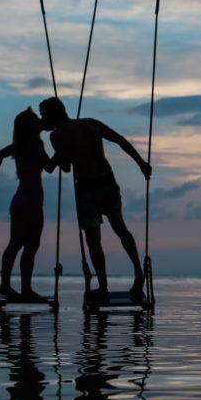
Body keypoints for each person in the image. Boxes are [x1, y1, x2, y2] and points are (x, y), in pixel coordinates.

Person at [38, 96, 151, 303]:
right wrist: (141, 163)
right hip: (108, 183)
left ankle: (103, 286)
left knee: (93, 241)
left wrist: (56, 155)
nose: (42, 119)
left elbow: (65, 167)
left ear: (53, 116)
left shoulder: (56, 135)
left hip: (88, 190)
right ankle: (137, 272)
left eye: (43, 115)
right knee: (121, 229)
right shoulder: (91, 123)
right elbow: (120, 140)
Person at [0, 107, 55, 302]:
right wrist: (62, 153)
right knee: (31, 246)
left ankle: (5, 286)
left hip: (18, 200)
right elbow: (50, 167)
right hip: (32, 201)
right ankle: (26, 289)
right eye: (35, 119)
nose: (39, 121)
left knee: (15, 244)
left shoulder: (18, 145)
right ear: (30, 126)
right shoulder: (35, 144)